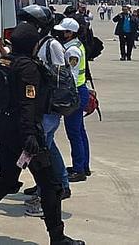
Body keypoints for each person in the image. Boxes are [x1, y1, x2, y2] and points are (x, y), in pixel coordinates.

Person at [0, 22, 85, 245]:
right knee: (52, 186)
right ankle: (58, 237)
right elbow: (28, 104)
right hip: (26, 134)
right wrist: (30, 137)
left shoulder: (3, 62)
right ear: (33, 45)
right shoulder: (28, 68)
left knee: (6, 179)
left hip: (5, 129)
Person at [22, 5, 70, 212]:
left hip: (49, 107)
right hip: (41, 106)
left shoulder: (52, 45)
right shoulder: (39, 43)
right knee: (48, 149)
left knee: (41, 154)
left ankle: (47, 197)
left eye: (30, 23)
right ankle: (60, 186)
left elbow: (60, 76)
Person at [57, 19, 92, 182]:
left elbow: (70, 75)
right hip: (80, 90)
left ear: (70, 33)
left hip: (75, 92)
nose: (61, 34)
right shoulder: (75, 46)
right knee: (79, 131)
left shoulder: (72, 51)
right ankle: (83, 165)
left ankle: (79, 169)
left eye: (64, 31)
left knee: (74, 133)